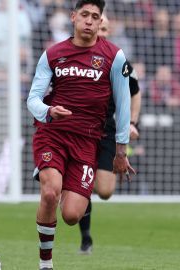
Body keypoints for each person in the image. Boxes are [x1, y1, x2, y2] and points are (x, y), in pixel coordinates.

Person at [26, 1, 135, 269]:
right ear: (73, 17)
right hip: (52, 133)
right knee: (50, 193)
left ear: (101, 23)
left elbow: (123, 106)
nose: (89, 20)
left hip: (88, 142)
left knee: (72, 215)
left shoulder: (114, 56)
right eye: (84, 15)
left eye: (94, 17)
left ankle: (59, 178)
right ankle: (45, 264)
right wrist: (50, 110)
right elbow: (32, 99)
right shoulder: (53, 54)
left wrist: (121, 151)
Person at [77, 13, 142, 254]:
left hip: (107, 131)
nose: (100, 33)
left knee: (104, 191)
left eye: (104, 30)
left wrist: (133, 122)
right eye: (98, 29)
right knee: (82, 185)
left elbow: (135, 91)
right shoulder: (73, 58)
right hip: (78, 131)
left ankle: (81, 184)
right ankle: (86, 238)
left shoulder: (118, 60)